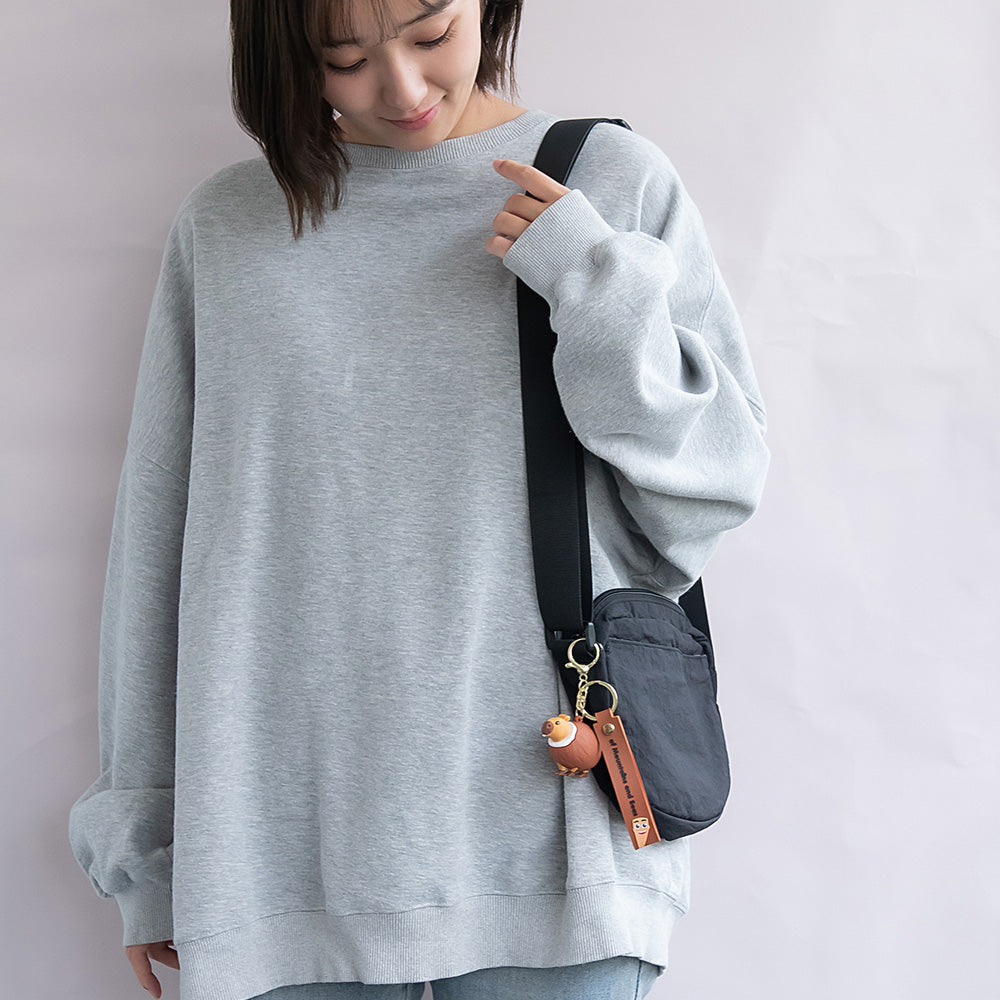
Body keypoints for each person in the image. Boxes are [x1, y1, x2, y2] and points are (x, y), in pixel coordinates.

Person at [67, 1, 769, 998]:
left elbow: (711, 491)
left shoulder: (608, 182)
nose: (399, 88)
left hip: (555, 845)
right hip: (276, 866)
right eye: (343, 56)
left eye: (431, 33)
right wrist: (144, 851)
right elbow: (159, 545)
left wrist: (591, 283)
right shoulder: (228, 225)